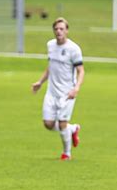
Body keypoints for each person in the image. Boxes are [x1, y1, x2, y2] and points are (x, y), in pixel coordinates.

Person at [32, 17, 85, 160]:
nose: (58, 31)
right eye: (56, 29)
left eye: (62, 29)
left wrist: (76, 88)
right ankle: (73, 129)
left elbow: (81, 71)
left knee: (62, 124)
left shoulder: (74, 49)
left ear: (67, 31)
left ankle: (66, 153)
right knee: (48, 124)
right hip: (51, 92)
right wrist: (40, 82)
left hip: (67, 93)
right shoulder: (50, 45)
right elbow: (50, 67)